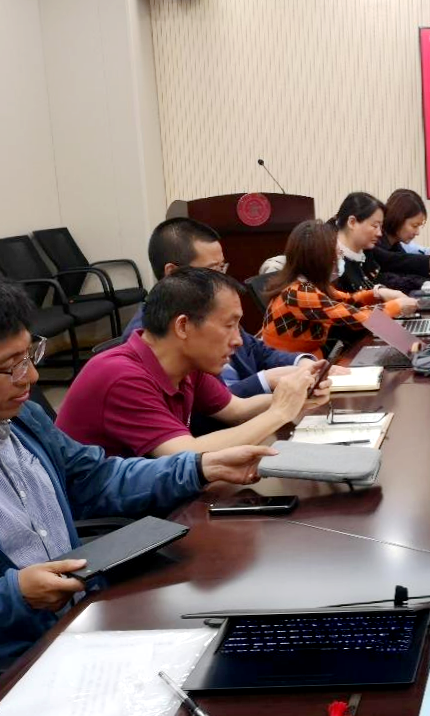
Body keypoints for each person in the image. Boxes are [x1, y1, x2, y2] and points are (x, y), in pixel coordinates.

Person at [0, 279, 272, 665]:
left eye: (29, 356)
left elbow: (96, 479)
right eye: (11, 366)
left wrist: (198, 467)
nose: (31, 377)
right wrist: (16, 595)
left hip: (79, 620)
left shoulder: (24, 419)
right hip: (19, 659)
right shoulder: (119, 374)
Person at [57, 268, 329, 458]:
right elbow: (186, 454)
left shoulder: (186, 364)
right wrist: (279, 412)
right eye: (229, 326)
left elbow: (236, 410)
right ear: (183, 326)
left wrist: (295, 396)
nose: (238, 340)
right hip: (113, 518)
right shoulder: (121, 375)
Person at [122, 217, 320, 397]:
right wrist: (266, 381)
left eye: (222, 267)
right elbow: (203, 408)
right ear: (173, 272)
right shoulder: (151, 336)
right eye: (212, 269)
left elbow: (256, 350)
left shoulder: (216, 310)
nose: (222, 278)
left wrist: (303, 363)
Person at [261, 219, 416, 356]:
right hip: (292, 367)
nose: (339, 258)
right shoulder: (300, 293)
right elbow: (357, 318)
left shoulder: (309, 285)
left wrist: (378, 293)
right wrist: (397, 306)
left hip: (311, 359)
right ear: (319, 259)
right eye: (336, 254)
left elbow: (350, 300)